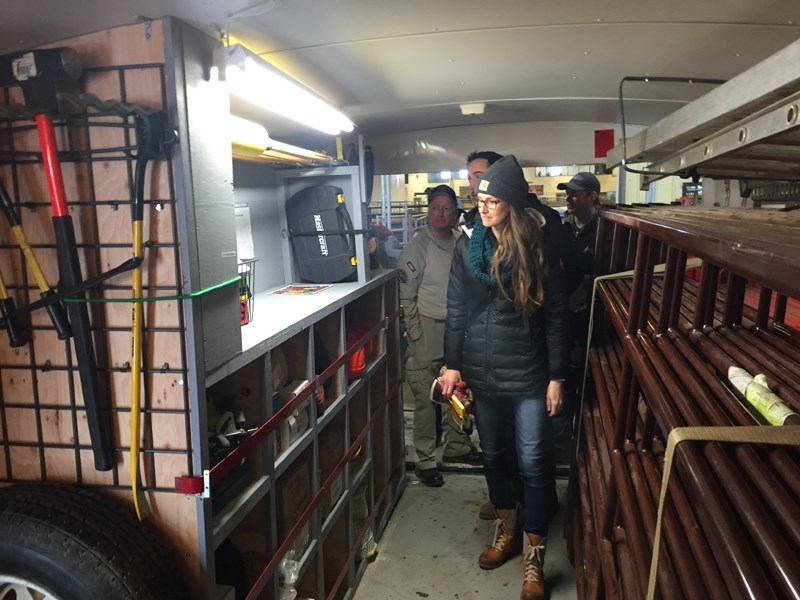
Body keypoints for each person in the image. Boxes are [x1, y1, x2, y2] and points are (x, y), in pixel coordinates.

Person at [441, 155, 568, 600]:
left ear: (512, 203)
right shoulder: (467, 246)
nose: (484, 206)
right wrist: (451, 363)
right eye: (480, 199)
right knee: (493, 455)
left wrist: (557, 376)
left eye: (493, 199)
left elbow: (555, 316)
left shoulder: (538, 246)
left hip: (530, 373)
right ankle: (506, 530)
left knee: (533, 462)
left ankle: (535, 556)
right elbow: (456, 309)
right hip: (481, 369)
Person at [399, 184, 481, 488]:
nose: (441, 214)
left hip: (456, 329)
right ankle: (425, 459)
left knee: (457, 392)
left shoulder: (460, 241)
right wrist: (416, 336)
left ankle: (457, 445)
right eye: (435, 208)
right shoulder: (416, 249)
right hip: (427, 327)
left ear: (455, 212)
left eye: (447, 208)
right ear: (429, 211)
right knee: (425, 398)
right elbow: (406, 299)